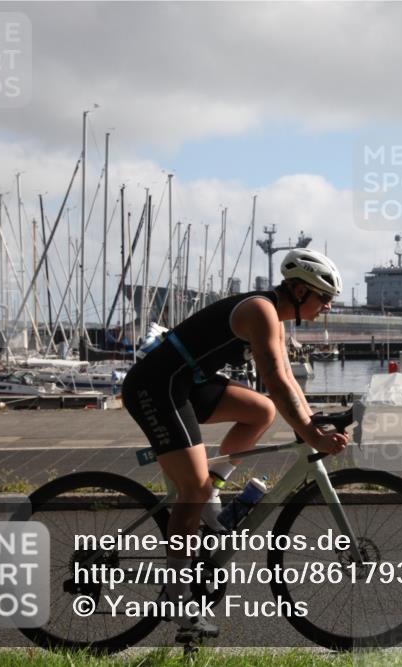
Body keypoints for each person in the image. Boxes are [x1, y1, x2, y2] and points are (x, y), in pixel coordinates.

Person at [121, 248, 349, 636]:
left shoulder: (274, 318)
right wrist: (310, 434)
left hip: (186, 383)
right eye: (323, 297)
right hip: (157, 387)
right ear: (296, 290)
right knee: (191, 492)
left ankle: (213, 489)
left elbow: (289, 384)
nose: (326, 307)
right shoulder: (260, 311)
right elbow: (275, 379)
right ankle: (178, 601)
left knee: (260, 412)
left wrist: (313, 423)